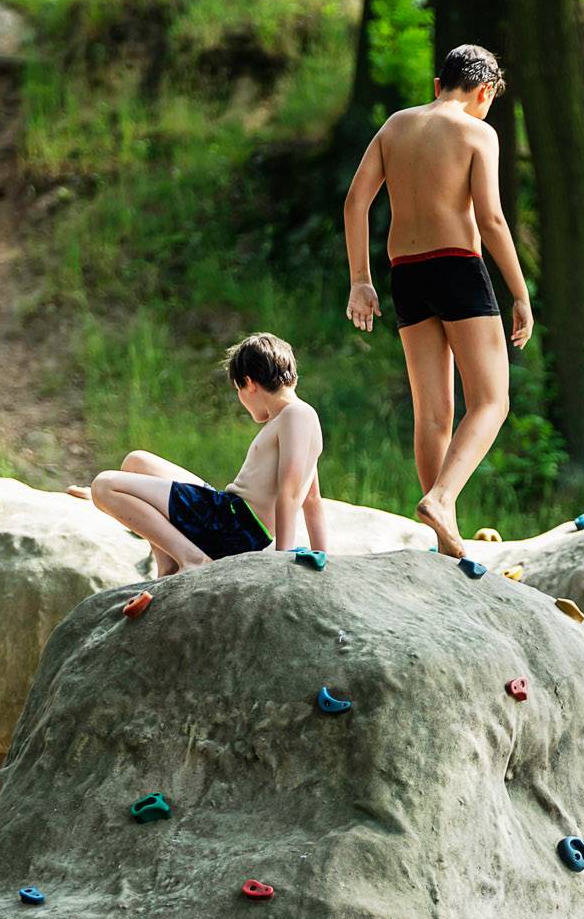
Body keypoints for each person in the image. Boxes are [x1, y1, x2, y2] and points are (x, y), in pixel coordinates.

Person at [342, 43, 534, 559]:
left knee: (432, 413)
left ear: (437, 85)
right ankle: (442, 500)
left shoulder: (395, 126)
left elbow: (356, 201)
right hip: (456, 267)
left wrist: (360, 280)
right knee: (491, 400)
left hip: (406, 272)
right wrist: (519, 293)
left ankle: (441, 534)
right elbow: (491, 219)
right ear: (484, 91)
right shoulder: (477, 132)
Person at [73, 333, 328, 576]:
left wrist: (282, 556)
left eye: (237, 389)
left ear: (249, 383)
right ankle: (168, 567)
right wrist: (322, 555)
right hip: (227, 517)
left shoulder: (295, 414)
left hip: (231, 524)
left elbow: (290, 490)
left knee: (103, 486)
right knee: (136, 461)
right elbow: (312, 498)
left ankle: (192, 559)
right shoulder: (297, 416)